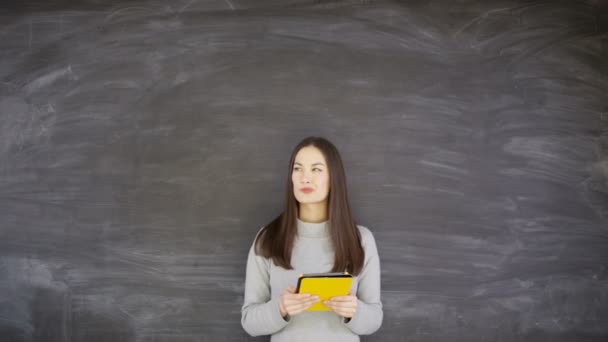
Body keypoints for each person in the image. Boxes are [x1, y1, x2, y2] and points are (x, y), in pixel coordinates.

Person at [240, 136, 383, 341]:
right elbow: (249, 322)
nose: (305, 178)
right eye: (298, 169)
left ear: (334, 177)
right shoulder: (267, 238)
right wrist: (280, 307)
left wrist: (355, 310)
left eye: (316, 169)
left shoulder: (361, 240)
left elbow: (374, 319)